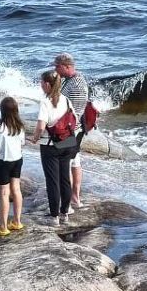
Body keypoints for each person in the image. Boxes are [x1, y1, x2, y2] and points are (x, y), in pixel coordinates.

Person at [30, 69, 75, 224]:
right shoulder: (66, 100)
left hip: (50, 145)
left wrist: (35, 138)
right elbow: (73, 120)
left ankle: (54, 217)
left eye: (42, 82)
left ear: (48, 85)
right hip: (67, 142)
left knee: (52, 181)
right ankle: (65, 214)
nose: (40, 85)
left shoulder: (45, 102)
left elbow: (41, 126)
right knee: (65, 179)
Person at [54, 52, 88, 208]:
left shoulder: (74, 85)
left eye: (57, 67)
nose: (55, 69)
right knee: (75, 162)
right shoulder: (77, 79)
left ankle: (67, 201)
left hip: (69, 130)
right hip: (77, 128)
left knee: (65, 164)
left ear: (67, 66)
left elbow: (65, 109)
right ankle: (75, 198)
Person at [0, 97, 26, 237]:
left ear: (2, 111)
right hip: (17, 160)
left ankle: (3, 227)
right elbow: (22, 143)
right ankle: (17, 221)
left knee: (4, 193)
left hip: (4, 161)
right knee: (16, 189)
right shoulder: (20, 126)